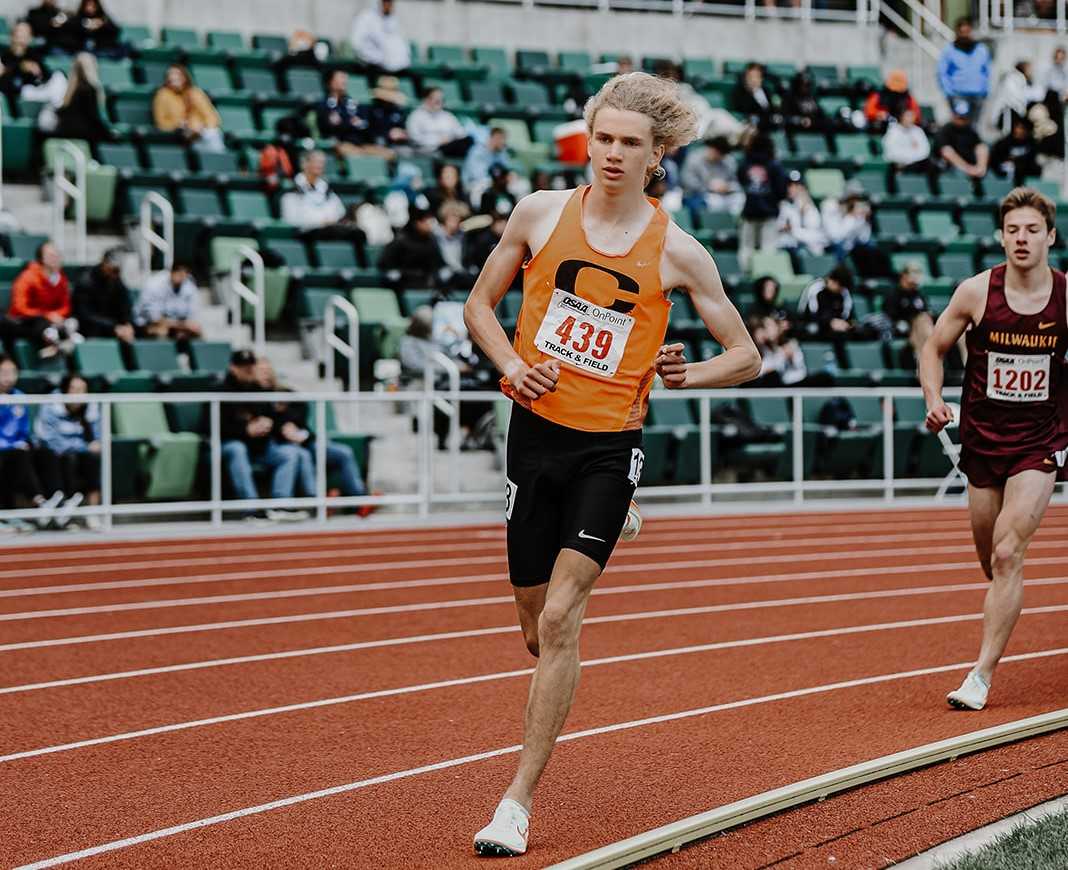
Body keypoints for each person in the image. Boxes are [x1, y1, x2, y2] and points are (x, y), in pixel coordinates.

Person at [463, 71, 760, 857]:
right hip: (534, 438)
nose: (614, 154)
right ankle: (595, 542)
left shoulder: (680, 252)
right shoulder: (538, 214)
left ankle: (516, 805)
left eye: (631, 143)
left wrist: (688, 374)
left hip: (608, 447)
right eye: (604, 138)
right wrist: (508, 366)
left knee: (563, 619)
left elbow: (748, 356)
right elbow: (478, 308)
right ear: (588, 140)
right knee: (533, 626)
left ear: (659, 155)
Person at [921, 187, 1068, 711]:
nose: (1021, 239)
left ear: (1050, 236)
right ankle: (1004, 588)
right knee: (990, 556)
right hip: (982, 443)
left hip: (1039, 443)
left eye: (1031, 230)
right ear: (1001, 237)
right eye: (1012, 230)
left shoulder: (1066, 298)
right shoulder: (977, 292)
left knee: (1009, 553)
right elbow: (933, 349)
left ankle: (980, 676)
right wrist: (935, 397)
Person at [252, 358, 374, 515]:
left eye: (268, 371)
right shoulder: (251, 396)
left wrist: (295, 430)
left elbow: (300, 415)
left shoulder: (285, 393)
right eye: (261, 371)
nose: (265, 375)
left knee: (343, 452)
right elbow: (268, 424)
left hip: (305, 440)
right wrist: (283, 428)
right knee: (300, 455)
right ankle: (317, 501)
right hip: (280, 446)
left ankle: (360, 500)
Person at [220, 349, 309, 522]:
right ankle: (251, 509)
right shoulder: (220, 391)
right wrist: (246, 430)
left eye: (250, 366)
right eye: (243, 366)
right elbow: (213, 428)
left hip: (259, 447)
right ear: (233, 368)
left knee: (289, 453)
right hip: (229, 445)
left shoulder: (259, 391)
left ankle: (280, 505)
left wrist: (270, 424)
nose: (248, 370)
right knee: (237, 449)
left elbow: (274, 419)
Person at [0, 354, 63, 525]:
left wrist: (22, 442)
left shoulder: (19, 396)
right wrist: (11, 444)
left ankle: (56, 501)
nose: (8, 377)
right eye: (4, 372)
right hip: (5, 449)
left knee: (46, 453)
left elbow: (24, 429)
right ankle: (38, 501)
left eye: (13, 372)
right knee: (18, 456)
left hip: (17, 446)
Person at [34, 372, 102, 527]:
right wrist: (81, 446)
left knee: (92, 459)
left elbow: (97, 437)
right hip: (51, 452)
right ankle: (61, 506)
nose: (78, 395)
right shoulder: (51, 404)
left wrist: (86, 446)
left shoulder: (92, 406)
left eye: (82, 390)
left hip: (78, 452)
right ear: (65, 390)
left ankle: (92, 513)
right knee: (60, 457)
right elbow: (48, 438)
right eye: (73, 389)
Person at [280, 150, 369, 259]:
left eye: (322, 162)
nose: (319, 165)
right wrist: (319, 222)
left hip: (330, 229)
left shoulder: (326, 189)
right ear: (304, 164)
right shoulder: (292, 189)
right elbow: (291, 219)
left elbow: (339, 212)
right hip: (308, 232)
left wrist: (331, 221)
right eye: (316, 162)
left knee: (358, 233)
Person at [7, 241, 80, 358]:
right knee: (39, 323)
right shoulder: (27, 277)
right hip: (26, 321)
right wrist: (47, 315)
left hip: (51, 321)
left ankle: (60, 341)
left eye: (57, 255)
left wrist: (56, 316)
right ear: (41, 259)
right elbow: (19, 308)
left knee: (72, 321)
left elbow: (66, 306)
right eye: (51, 255)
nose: (56, 258)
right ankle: (51, 343)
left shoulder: (61, 279)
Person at [737, 133, 788, 271]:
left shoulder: (745, 164)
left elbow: (741, 180)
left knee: (746, 248)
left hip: (749, 211)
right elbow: (782, 191)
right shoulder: (774, 166)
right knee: (768, 248)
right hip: (769, 212)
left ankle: (746, 275)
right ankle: (765, 276)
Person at [153, 64, 224, 152]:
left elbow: (212, 117)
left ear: (184, 77)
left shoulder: (195, 92)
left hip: (201, 131)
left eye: (177, 75)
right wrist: (178, 125)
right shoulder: (162, 95)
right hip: (180, 133)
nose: (174, 78)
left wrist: (202, 127)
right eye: (171, 75)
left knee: (213, 133)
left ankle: (219, 160)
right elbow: (161, 122)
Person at [0, 21, 66, 108]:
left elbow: (47, 75)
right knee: (27, 90)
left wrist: (38, 72)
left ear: (30, 37)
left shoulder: (33, 54)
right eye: (19, 32)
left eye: (25, 33)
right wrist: (21, 67)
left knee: (59, 75)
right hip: (22, 94)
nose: (21, 36)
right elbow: (7, 83)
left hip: (40, 90)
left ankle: (60, 109)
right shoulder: (5, 56)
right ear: (12, 35)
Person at [937, 17, 991, 122]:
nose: (965, 35)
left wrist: (985, 90)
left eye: (967, 31)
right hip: (958, 95)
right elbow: (942, 73)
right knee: (961, 126)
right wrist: (949, 92)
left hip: (977, 95)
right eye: (962, 32)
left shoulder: (981, 49)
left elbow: (987, 71)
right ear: (957, 32)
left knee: (974, 128)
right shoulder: (949, 50)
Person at [74, 247, 134, 341]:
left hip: (112, 326)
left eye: (117, 270)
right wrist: (114, 327)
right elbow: (85, 315)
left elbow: (125, 305)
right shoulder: (86, 280)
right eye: (112, 269)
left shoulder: (116, 279)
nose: (114, 273)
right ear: (103, 263)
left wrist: (127, 324)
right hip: (90, 328)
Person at [378, 206, 446, 288]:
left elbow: (438, 264)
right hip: (404, 281)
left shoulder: (431, 241)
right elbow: (384, 264)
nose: (430, 225)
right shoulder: (401, 240)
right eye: (427, 221)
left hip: (426, 280)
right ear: (418, 223)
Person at [133, 263, 202, 341]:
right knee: (161, 331)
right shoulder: (155, 284)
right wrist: (181, 325)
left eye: (184, 273)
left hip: (175, 325)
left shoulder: (189, 285)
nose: (181, 276)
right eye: (178, 272)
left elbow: (192, 317)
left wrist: (185, 326)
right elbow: (156, 319)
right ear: (172, 272)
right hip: (146, 325)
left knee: (195, 331)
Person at [883, 262, 934, 364]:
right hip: (903, 330)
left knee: (924, 319)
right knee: (921, 320)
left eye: (919, 273)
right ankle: (926, 360)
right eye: (914, 272)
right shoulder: (894, 295)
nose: (917, 276)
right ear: (904, 275)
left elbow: (926, 311)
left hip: (923, 329)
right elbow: (891, 317)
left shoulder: (918, 294)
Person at [680, 135, 743, 215]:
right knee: (711, 202)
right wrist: (709, 187)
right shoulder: (695, 158)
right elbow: (687, 181)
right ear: (711, 148)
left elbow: (736, 183)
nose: (718, 156)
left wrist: (727, 186)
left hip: (724, 196)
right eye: (716, 151)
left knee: (739, 198)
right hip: (702, 195)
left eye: (721, 154)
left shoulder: (728, 161)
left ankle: (734, 226)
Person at [53, 52, 110, 142]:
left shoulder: (69, 88)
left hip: (65, 133)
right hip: (83, 135)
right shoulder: (90, 89)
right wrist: (109, 134)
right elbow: (93, 117)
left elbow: (62, 111)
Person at [316, 69, 373, 157]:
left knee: (388, 154)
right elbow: (331, 126)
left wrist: (349, 122)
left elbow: (365, 122)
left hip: (361, 143)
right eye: (341, 77)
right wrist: (351, 122)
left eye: (345, 78)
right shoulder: (324, 104)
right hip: (340, 143)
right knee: (359, 155)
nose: (345, 81)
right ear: (331, 82)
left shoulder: (352, 102)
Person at [406, 86, 471, 157]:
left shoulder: (447, 116)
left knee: (468, 141)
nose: (440, 102)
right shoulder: (416, 116)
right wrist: (438, 141)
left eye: (442, 99)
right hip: (428, 149)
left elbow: (460, 133)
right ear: (426, 99)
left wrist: (450, 139)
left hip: (450, 146)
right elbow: (415, 138)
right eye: (436, 99)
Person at [350, 0, 411, 73]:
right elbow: (357, 44)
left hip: (396, 67)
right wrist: (377, 58)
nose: (388, 5)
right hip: (372, 65)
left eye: (390, 3)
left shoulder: (393, 20)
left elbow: (401, 46)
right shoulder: (365, 18)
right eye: (385, 2)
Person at [935, 101, 989, 183]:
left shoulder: (970, 130)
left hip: (972, 164)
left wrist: (980, 167)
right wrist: (968, 169)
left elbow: (981, 147)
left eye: (963, 118)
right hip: (952, 167)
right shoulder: (945, 130)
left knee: (983, 147)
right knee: (948, 152)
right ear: (953, 115)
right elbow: (946, 152)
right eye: (959, 117)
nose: (961, 120)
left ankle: (980, 170)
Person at [799, 264, 856, 340]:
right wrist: (830, 322)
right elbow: (810, 314)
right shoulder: (815, 288)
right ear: (833, 281)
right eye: (840, 287)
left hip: (838, 327)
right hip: (815, 324)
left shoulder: (844, 292)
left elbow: (848, 314)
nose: (841, 290)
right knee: (813, 329)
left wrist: (847, 323)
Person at [777, 170, 826, 256]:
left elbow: (815, 233)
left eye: (796, 185)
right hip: (788, 247)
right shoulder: (783, 205)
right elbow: (778, 227)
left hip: (809, 249)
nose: (791, 188)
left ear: (802, 187)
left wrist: (792, 230)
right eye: (789, 185)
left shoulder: (809, 207)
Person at [462, 127, 512, 204]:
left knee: (518, 185)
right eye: (501, 139)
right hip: (473, 183)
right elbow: (478, 176)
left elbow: (506, 170)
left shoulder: (501, 152)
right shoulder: (477, 151)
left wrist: (509, 176)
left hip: (494, 182)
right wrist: (498, 180)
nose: (503, 142)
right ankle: (479, 212)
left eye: (504, 139)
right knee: (482, 187)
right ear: (493, 138)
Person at [990, 117, 1041, 187]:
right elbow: (996, 157)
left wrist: (1016, 159)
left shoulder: (1031, 142)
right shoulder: (1005, 141)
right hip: (1006, 167)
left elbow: (1031, 158)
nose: (1019, 130)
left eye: (1022, 128)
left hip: (1024, 168)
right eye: (1017, 127)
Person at [883, 108, 934, 177]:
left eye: (912, 116)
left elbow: (925, 150)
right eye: (908, 116)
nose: (910, 118)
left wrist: (913, 159)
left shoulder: (918, 131)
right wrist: (905, 160)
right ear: (901, 117)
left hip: (916, 162)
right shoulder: (893, 131)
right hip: (899, 163)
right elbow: (891, 151)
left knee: (931, 165)